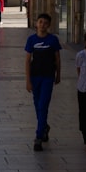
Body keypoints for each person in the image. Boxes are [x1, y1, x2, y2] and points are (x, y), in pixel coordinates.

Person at [25, 12, 62, 151]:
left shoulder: (53, 40)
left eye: (45, 23)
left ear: (49, 25)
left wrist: (58, 75)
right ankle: (44, 126)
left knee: (43, 105)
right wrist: (28, 80)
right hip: (35, 77)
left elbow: (57, 59)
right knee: (37, 104)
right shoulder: (31, 40)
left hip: (48, 76)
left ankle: (38, 136)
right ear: (36, 24)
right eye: (40, 22)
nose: (42, 25)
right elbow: (28, 60)